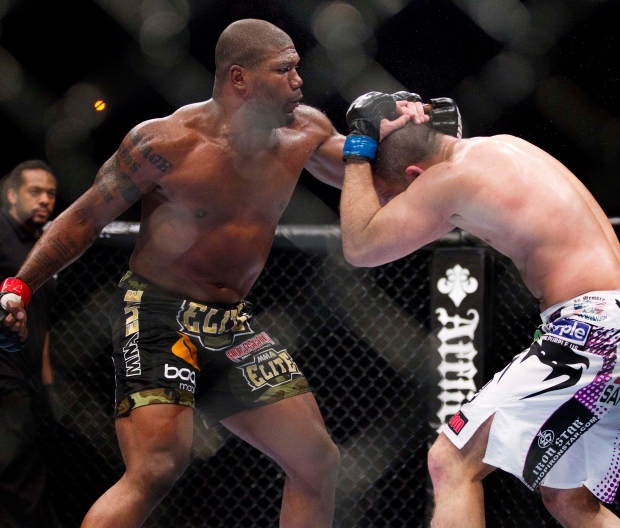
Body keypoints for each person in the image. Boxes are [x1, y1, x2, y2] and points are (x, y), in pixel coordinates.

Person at [0, 20, 453, 528]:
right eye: (284, 70)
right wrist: (21, 284)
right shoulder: (164, 143)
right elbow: (83, 219)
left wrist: (415, 139)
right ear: (239, 78)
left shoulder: (305, 130)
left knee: (317, 462)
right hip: (156, 313)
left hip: (231, 323)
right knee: (155, 468)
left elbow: (374, 182)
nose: (300, 82)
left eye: (298, 68)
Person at [338, 93, 620, 527]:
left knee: (451, 462)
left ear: (416, 176)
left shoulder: (447, 179)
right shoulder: (502, 148)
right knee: (566, 497)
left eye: (396, 196)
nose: (399, 207)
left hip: (592, 329)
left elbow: (360, 245)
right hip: (606, 323)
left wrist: (357, 148)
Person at [0, 160, 61, 527]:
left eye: (51, 193)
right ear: (11, 195)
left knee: (21, 473)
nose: (44, 200)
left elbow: (44, 323)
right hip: (2, 372)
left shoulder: (44, 247)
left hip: (27, 376)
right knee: (21, 477)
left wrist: (48, 383)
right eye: (34, 191)